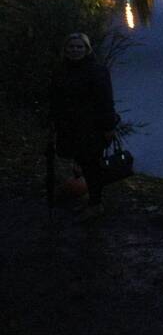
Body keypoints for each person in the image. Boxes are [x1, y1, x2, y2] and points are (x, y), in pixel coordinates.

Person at [49, 33, 119, 220]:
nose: (75, 50)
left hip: (91, 127)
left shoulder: (97, 70)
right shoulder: (60, 71)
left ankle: (96, 204)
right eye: (71, 47)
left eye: (79, 47)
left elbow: (105, 101)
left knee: (92, 165)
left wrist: (108, 126)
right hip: (68, 126)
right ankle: (89, 200)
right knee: (80, 163)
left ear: (87, 49)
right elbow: (56, 99)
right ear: (65, 50)